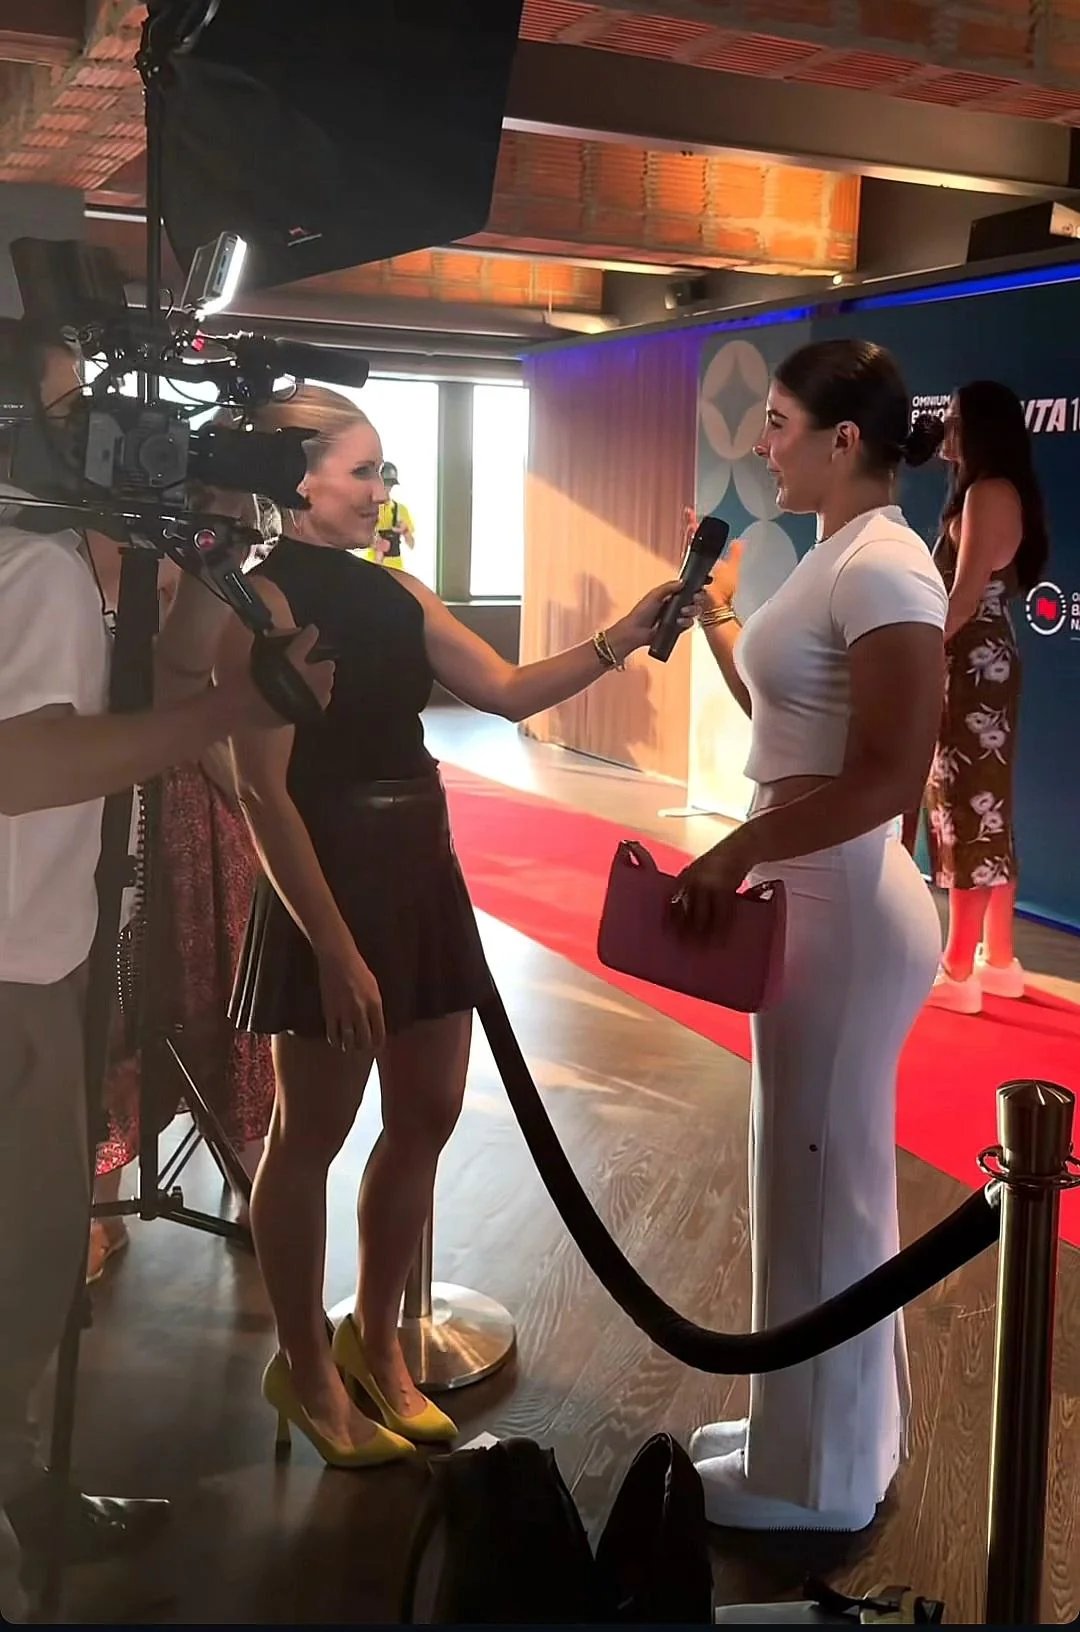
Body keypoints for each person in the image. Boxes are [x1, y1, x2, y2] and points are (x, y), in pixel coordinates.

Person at [215, 385, 701, 1469]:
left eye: (382, 470)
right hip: (326, 883)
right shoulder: (262, 600)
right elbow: (262, 794)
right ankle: (305, 1366)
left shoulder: (396, 589)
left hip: (418, 870)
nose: (381, 489)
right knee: (310, 1134)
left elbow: (509, 690)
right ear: (297, 478)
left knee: (428, 1109)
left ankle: (376, 1342)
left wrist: (623, 636)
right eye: (364, 470)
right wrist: (332, 948)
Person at [0, 322, 333, 1620]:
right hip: (15, 975)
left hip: (39, 958)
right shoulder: (30, 568)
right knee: (21, 1274)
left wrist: (210, 553)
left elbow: (133, 686)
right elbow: (27, 764)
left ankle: (22, 1490)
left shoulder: (39, 560)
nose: (93, 438)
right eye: (69, 412)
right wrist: (234, 713)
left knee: (34, 1265)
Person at [679, 339, 947, 1531]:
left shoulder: (884, 563)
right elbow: (791, 722)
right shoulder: (845, 553)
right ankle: (813, 1433)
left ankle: (816, 1483)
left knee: (821, 1184)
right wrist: (718, 622)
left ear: (845, 439)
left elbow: (890, 774)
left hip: (837, 889)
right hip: (818, 883)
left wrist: (739, 848)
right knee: (812, 1175)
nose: (762, 442)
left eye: (780, 423)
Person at [83, 528, 275, 1283]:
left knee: (220, 986)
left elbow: (223, 711)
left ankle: (254, 1175)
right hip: (102, 801)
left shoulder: (198, 559)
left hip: (195, 808)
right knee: (111, 1003)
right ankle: (99, 1203)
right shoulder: (67, 558)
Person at [920, 381, 1047, 1016]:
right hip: (982, 659)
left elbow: (963, 597)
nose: (946, 430)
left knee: (969, 807)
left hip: (970, 662)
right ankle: (997, 960)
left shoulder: (985, 493)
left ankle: (958, 968)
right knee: (985, 805)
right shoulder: (995, 490)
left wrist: (918, 652)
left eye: (955, 420)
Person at [365, 461, 414, 569]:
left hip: (396, 568)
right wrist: (374, 542)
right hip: (371, 567)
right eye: (386, 483)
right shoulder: (367, 509)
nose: (388, 487)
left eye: (391, 484)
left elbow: (411, 545)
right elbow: (354, 541)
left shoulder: (400, 510)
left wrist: (405, 531)